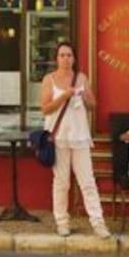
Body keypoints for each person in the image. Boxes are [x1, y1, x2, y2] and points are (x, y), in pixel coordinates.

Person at [40, 41, 111, 240]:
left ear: (74, 58)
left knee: (87, 181)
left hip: (79, 136)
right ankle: (62, 222)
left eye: (69, 55)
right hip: (59, 137)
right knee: (62, 182)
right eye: (62, 55)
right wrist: (64, 96)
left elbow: (92, 105)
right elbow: (45, 108)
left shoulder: (81, 77)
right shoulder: (49, 79)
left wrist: (84, 95)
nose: (65, 59)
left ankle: (98, 223)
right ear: (56, 58)